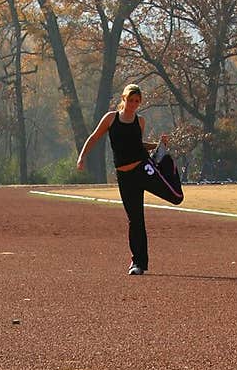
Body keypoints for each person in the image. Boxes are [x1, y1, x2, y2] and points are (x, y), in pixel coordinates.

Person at [76, 83, 183, 275]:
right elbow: (94, 137)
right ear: (123, 99)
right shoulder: (111, 118)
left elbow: (137, 145)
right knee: (135, 219)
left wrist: (158, 145)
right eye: (130, 100)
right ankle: (138, 264)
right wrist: (82, 156)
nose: (133, 104)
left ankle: (167, 165)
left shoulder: (140, 121)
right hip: (125, 177)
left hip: (143, 168)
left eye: (137, 101)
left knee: (176, 197)